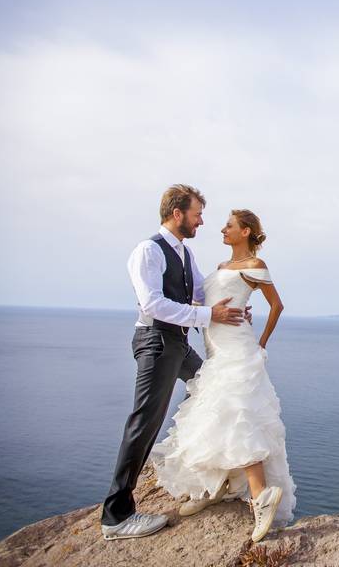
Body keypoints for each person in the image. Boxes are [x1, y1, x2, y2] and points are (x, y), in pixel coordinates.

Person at [101, 184, 247, 540]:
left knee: (211, 388)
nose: (201, 222)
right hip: (157, 342)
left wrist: (233, 306)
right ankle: (116, 517)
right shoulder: (148, 251)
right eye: (197, 214)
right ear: (177, 213)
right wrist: (209, 315)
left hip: (177, 343)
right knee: (144, 422)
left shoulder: (184, 253)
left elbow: (201, 293)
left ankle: (191, 463)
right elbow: (152, 304)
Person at [149, 208, 296, 543]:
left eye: (229, 226)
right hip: (216, 351)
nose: (222, 230)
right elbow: (205, 302)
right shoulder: (220, 268)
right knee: (212, 416)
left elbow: (277, 306)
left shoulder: (255, 267)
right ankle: (213, 485)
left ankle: (261, 497)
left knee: (236, 415)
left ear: (245, 231)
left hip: (239, 350)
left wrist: (260, 343)